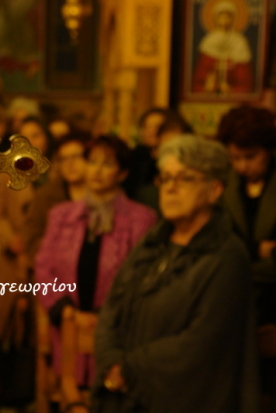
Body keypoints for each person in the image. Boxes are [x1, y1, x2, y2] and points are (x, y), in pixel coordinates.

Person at [93, 136, 259, 412]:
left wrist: (129, 370)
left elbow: (202, 343)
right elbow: (112, 308)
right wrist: (111, 361)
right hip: (125, 394)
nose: (170, 188)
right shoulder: (152, 243)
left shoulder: (227, 256)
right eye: (166, 178)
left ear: (214, 190)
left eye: (184, 178)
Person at [35, 135, 157, 385]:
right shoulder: (62, 215)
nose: (97, 171)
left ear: (122, 173)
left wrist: (106, 316)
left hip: (117, 331)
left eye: (107, 164)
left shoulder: (141, 219)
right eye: (92, 162)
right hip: (68, 325)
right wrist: (67, 310)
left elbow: (141, 278)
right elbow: (43, 269)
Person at [217, 105, 276, 406]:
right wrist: (257, 250)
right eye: (235, 158)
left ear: (269, 150)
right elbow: (219, 241)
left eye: (250, 157)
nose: (242, 166)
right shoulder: (223, 185)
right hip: (235, 295)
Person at [0, 116, 53, 345]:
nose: (31, 141)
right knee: (13, 323)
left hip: (48, 255)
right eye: (25, 137)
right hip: (16, 257)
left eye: (36, 135)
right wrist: (10, 238)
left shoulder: (55, 176)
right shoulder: (6, 175)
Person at [24, 130, 90, 264]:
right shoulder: (45, 195)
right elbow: (31, 237)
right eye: (64, 159)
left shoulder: (101, 193)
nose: (70, 164)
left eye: (76, 156)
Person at [192, 1, 253, 94]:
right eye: (221, 16)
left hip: (233, 97)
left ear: (233, 19)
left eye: (228, 16)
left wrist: (231, 90)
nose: (224, 20)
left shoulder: (240, 42)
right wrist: (207, 87)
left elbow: (245, 83)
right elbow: (198, 81)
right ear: (216, 19)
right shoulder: (209, 42)